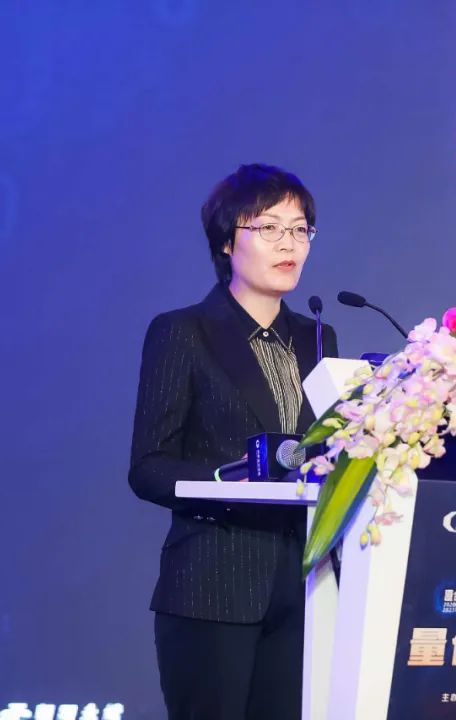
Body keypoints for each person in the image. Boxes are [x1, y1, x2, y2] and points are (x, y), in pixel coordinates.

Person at [128, 163, 338, 720]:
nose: (288, 243)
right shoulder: (183, 331)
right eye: (269, 228)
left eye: (300, 229)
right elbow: (148, 467)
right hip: (214, 583)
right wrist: (230, 479)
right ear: (227, 242)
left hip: (305, 587)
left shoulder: (319, 337)